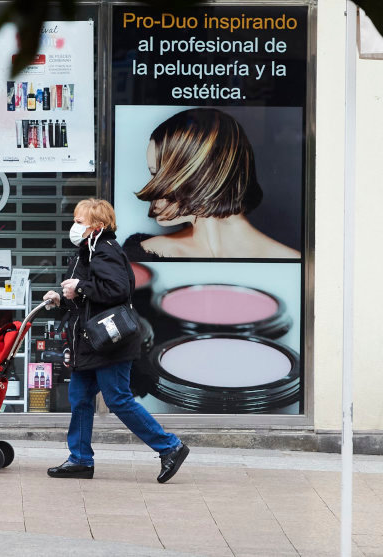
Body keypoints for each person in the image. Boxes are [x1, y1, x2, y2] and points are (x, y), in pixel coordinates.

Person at [43, 198, 189, 483]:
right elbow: (89, 299)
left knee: (118, 398)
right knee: (81, 398)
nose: (74, 226)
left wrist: (80, 287)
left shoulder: (105, 252)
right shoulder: (87, 251)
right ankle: (80, 459)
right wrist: (62, 298)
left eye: (80, 221)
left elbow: (116, 290)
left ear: (97, 226)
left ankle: (170, 446)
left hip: (110, 342)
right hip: (92, 342)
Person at [122, 108, 300, 260]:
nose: (152, 188)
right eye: (153, 174)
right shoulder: (143, 253)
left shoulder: (292, 262)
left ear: (203, 173)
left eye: (157, 174)